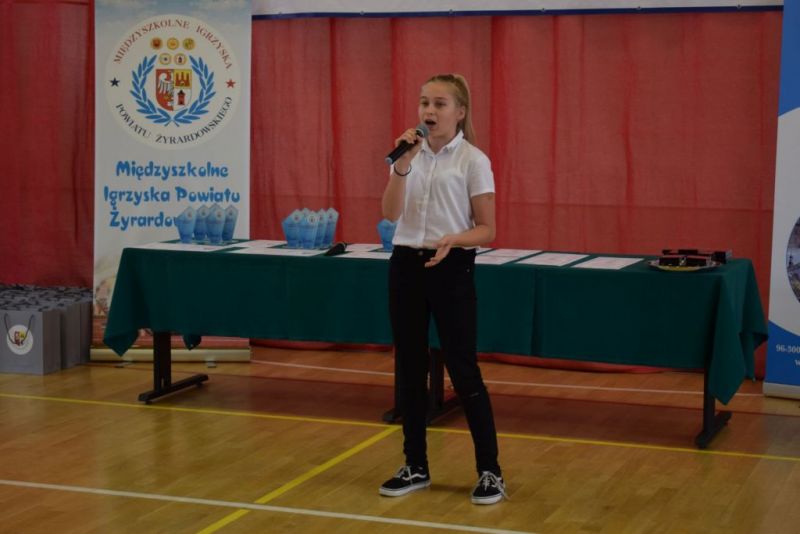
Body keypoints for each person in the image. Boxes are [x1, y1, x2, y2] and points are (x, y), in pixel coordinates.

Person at [379, 73, 506, 505]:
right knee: (409, 368)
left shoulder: (473, 160)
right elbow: (390, 213)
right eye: (424, 103)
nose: (429, 111)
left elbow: (487, 229)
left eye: (439, 104)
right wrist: (402, 165)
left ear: (460, 112)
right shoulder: (408, 155)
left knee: (463, 368)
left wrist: (455, 239)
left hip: (452, 266)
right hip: (406, 266)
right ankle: (415, 465)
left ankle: (490, 471)